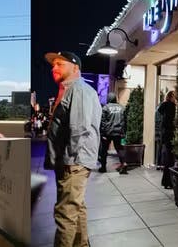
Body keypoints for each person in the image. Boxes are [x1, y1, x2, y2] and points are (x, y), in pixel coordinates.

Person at [43, 51, 101, 247]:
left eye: (60, 64)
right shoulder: (71, 90)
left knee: (65, 212)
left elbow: (79, 128)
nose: (54, 67)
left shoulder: (79, 90)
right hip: (71, 160)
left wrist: (71, 158)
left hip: (74, 161)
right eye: (53, 64)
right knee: (76, 207)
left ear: (75, 68)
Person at [99, 92, 127, 174]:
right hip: (118, 132)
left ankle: (103, 167)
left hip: (108, 132)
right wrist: (124, 132)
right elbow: (125, 121)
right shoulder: (122, 108)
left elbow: (103, 122)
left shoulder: (105, 108)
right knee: (119, 148)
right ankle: (124, 163)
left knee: (104, 150)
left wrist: (102, 133)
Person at [158, 91, 177, 189]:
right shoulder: (172, 107)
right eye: (175, 96)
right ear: (172, 97)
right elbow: (172, 122)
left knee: (168, 159)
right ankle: (168, 181)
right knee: (171, 160)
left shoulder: (163, 106)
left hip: (165, 136)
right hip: (171, 136)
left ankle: (166, 181)